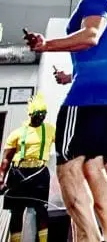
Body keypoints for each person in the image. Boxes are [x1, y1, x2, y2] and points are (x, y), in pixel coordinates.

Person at [23, 0, 107, 242]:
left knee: (68, 167)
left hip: (89, 97)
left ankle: (90, 239)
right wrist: (71, 75)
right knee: (94, 166)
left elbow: (90, 36)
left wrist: (46, 45)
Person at [0, 95, 56, 242]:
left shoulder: (50, 130)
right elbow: (6, 158)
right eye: (37, 115)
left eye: (43, 115)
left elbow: (65, 145)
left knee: (42, 211)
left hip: (39, 173)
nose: (40, 118)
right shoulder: (17, 133)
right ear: (30, 114)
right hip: (18, 173)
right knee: (16, 212)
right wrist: (1, 178)